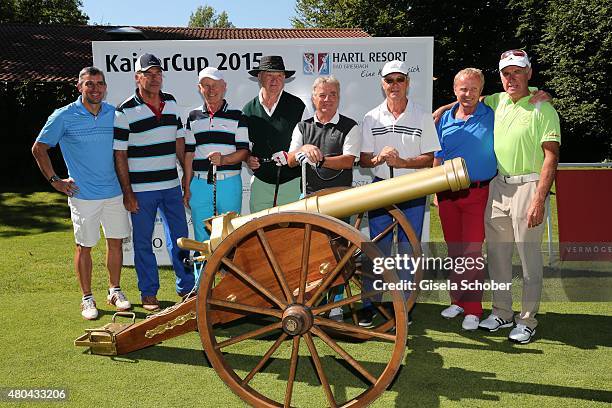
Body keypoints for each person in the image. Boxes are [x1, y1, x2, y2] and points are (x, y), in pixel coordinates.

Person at [32, 66, 131, 320]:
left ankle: (114, 290)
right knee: (84, 246)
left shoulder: (114, 114)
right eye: (89, 84)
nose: (95, 88)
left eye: (99, 84)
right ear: (79, 87)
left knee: (115, 242)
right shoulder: (63, 115)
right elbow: (39, 148)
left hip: (113, 192)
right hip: (82, 194)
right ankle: (87, 298)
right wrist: (55, 180)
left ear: (105, 87)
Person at [476, 49, 561, 343]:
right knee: (497, 256)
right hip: (499, 186)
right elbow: (467, 98)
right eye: (506, 73)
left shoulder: (543, 108)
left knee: (528, 257)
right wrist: (440, 111)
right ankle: (502, 311)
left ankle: (527, 319)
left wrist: (539, 199)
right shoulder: (497, 101)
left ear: (529, 73)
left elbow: (551, 157)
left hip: (530, 186)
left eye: (517, 72)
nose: (511, 78)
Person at [359, 60, 441, 326]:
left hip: (412, 190)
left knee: (408, 250)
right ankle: (370, 304)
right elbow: (363, 160)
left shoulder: (421, 115)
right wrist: (378, 158)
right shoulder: (371, 116)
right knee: (377, 250)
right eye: (389, 80)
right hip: (381, 188)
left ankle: (404, 307)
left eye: (399, 80)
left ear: (408, 83)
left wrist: (403, 163)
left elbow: (429, 157)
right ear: (382, 84)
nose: (394, 85)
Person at [113, 53, 194, 311]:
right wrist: (128, 192)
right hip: (141, 190)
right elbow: (120, 154)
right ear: (137, 77)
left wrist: (186, 180)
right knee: (143, 242)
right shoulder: (123, 111)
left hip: (171, 184)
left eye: (158, 73)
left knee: (180, 239)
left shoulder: (170, 102)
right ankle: (149, 293)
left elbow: (179, 143)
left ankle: (187, 288)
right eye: (149, 73)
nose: (155, 78)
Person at [287, 76, 361, 321]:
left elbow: (349, 160)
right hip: (308, 199)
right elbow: (290, 159)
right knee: (308, 254)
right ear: (313, 98)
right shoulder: (302, 127)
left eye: (332, 95)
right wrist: (303, 150)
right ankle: (309, 301)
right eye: (322, 95)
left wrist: (320, 158)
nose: (327, 100)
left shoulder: (350, 126)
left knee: (338, 254)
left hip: (340, 200)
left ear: (338, 98)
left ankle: (336, 305)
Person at [433, 68, 497, 331]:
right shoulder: (444, 118)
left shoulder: (492, 114)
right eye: (462, 88)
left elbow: (518, 97)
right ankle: (458, 301)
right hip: (447, 192)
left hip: (477, 192)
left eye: (473, 89)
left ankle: (473, 309)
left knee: (471, 252)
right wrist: (435, 191)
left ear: (481, 91)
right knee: (455, 250)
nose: (467, 93)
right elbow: (438, 157)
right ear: (454, 89)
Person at [243, 55, 307, 212]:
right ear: (259, 77)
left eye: (279, 75)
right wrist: (248, 158)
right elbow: (244, 147)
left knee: (291, 233)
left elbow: (306, 145)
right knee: (259, 230)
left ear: (284, 78)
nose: (275, 80)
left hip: (291, 182)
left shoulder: (298, 106)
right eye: (269, 75)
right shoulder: (248, 110)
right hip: (261, 182)